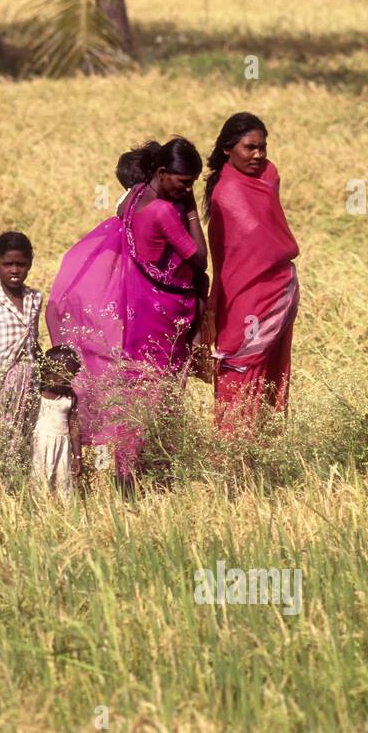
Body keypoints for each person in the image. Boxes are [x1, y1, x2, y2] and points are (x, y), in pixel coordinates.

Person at [46, 137, 208, 490]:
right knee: (157, 395)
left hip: (139, 316)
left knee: (138, 395)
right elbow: (199, 258)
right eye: (184, 183)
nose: (187, 189)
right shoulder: (165, 211)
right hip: (161, 314)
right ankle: (141, 480)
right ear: (162, 173)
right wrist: (192, 211)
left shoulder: (135, 200)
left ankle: (130, 477)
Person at [201, 113, 300, 436]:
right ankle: (232, 446)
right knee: (238, 362)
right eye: (250, 148)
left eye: (263, 147)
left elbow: (268, 231)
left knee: (273, 367)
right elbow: (228, 254)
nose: (259, 155)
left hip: (278, 289)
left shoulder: (268, 174)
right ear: (228, 149)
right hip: (242, 293)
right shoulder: (225, 194)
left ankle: (266, 445)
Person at [0, 231, 42, 468]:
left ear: (30, 264)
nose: (15, 270)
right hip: (1, 381)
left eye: (21, 264)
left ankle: (20, 483)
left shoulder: (35, 298)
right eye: (8, 264)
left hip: (31, 377)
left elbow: (34, 339)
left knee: (27, 432)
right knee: (1, 434)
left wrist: (45, 373)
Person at [32, 346, 82, 500]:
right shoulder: (37, 394)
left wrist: (78, 457)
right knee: (39, 479)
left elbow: (74, 428)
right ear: (48, 373)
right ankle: (38, 508)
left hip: (63, 446)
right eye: (64, 377)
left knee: (62, 481)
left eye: (70, 378)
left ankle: (62, 512)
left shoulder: (70, 398)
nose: (68, 381)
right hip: (40, 444)